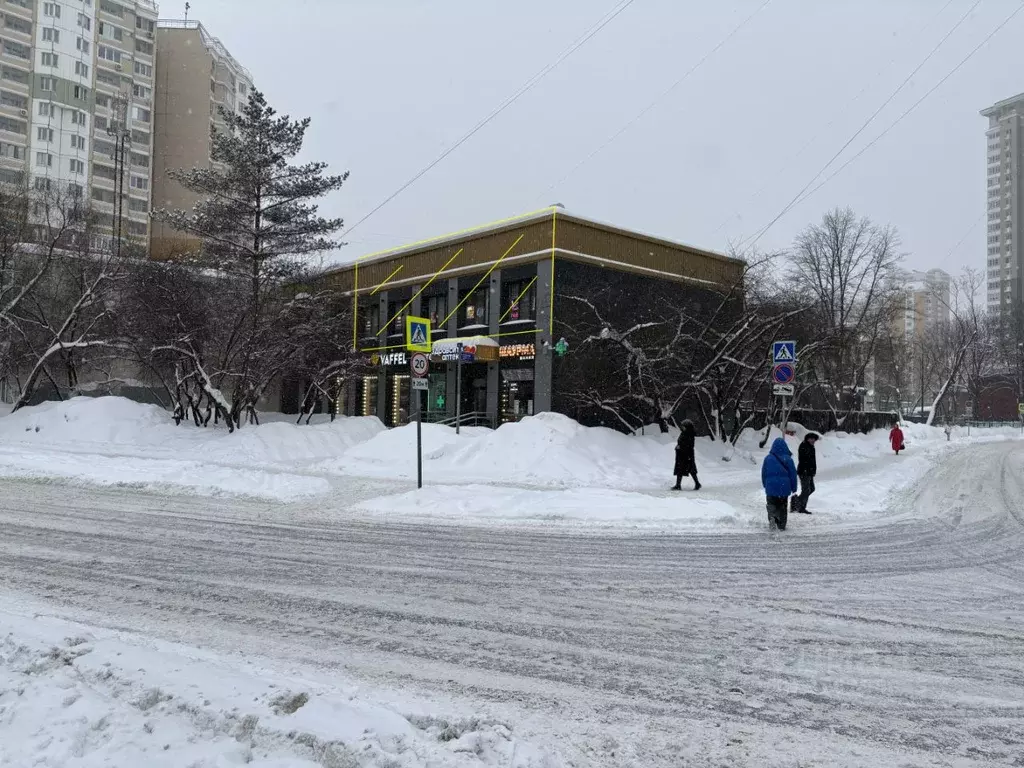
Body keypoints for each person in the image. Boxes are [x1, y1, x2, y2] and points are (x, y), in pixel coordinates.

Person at [761, 437, 797, 531]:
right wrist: (794, 487)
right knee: (782, 506)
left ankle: (772, 517)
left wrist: (765, 484)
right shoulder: (788, 459)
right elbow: (793, 474)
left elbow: (764, 473)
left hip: (771, 487)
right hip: (783, 488)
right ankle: (782, 525)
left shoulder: (768, 458)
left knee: (771, 504)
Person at [793, 432, 819, 514]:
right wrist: (806, 470)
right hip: (804, 471)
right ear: (807, 439)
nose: (813, 440)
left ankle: (796, 502)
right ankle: (801, 507)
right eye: (811, 439)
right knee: (806, 490)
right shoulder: (804, 446)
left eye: (814, 439)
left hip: (809, 472)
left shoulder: (811, 447)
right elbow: (803, 460)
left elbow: (813, 460)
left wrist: (813, 470)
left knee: (811, 489)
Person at [672, 420, 701, 491]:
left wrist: (680, 447)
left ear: (687, 427)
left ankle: (697, 484)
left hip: (687, 455)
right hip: (682, 455)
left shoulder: (689, 434)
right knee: (681, 469)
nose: (682, 427)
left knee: (690, 469)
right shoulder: (684, 433)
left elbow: (689, 445)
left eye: (684, 426)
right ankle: (678, 485)